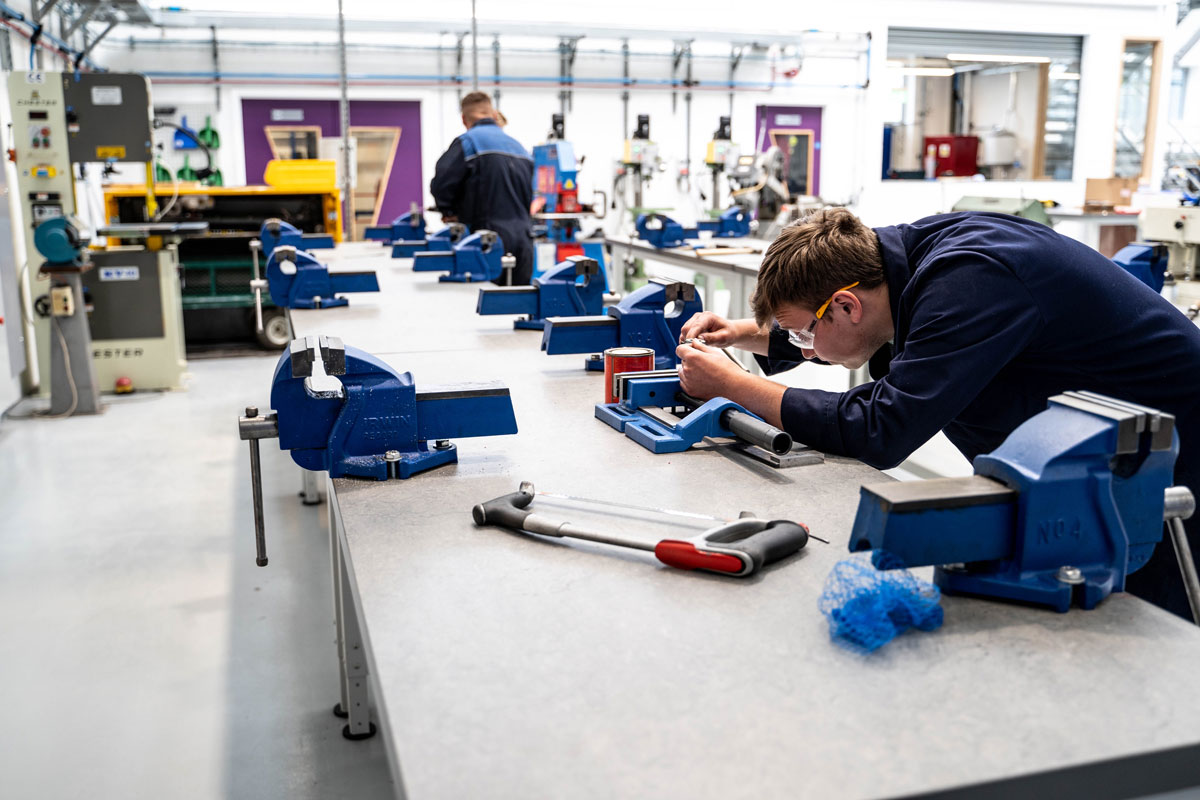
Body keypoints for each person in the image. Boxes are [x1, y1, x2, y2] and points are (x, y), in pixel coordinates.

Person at [677, 208, 1200, 620]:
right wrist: (747, 333)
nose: (803, 349)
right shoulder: (888, 260)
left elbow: (882, 427)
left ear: (846, 305)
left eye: (803, 334)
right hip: (1091, 459)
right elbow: (850, 337)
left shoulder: (969, 282)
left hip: (1171, 459)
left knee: (1150, 632)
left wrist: (735, 386)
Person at [430, 92, 534, 284]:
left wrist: (448, 211)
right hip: (524, 241)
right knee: (517, 305)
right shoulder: (520, 148)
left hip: (487, 242)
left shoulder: (468, 143)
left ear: (464, 119)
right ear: (493, 114)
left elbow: (442, 183)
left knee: (481, 307)